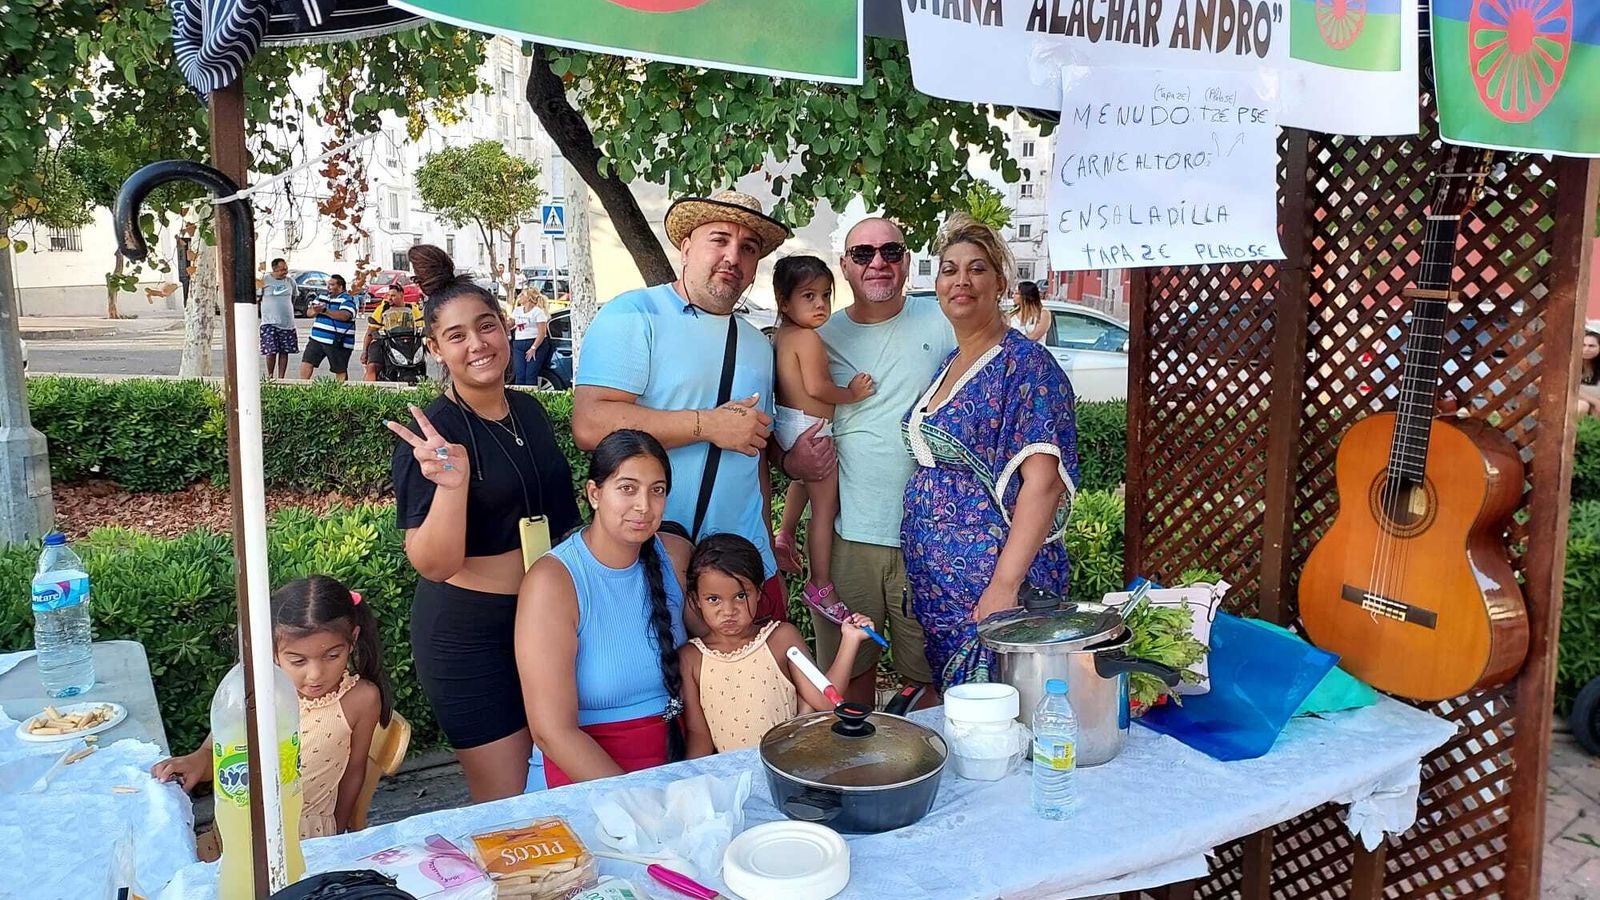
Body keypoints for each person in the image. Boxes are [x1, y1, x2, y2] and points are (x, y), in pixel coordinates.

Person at [572, 189, 832, 621]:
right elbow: (590, 423)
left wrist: (769, 542)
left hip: (745, 568)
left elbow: (754, 453)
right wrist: (707, 425)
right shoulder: (633, 314)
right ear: (687, 246)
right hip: (653, 561)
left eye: (748, 248)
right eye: (720, 239)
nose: (733, 256)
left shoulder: (757, 344)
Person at [387, 244, 581, 802]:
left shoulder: (531, 412)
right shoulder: (433, 438)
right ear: (435, 349)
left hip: (545, 622)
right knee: (509, 801)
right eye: (456, 336)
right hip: (470, 635)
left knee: (559, 780)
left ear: (505, 326)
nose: (477, 344)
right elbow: (433, 564)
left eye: (486, 325)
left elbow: (565, 525)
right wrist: (452, 487)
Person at [902, 214, 1079, 690]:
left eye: (976, 269)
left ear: (1001, 283)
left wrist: (1004, 585)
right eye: (949, 270)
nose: (961, 280)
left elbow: (1044, 483)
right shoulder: (952, 363)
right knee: (963, 709)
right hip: (940, 586)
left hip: (992, 582)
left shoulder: (1026, 367)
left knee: (1000, 708)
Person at [811, 217, 957, 708]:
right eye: (863, 253)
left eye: (890, 252)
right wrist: (792, 458)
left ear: (907, 261)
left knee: (929, 678)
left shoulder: (942, 321)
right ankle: (858, 757)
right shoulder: (820, 337)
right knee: (850, 679)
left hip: (928, 535)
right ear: (845, 266)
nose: (878, 263)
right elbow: (793, 425)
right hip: (850, 535)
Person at [516, 429, 694, 787]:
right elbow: (552, 732)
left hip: (675, 763)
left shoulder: (675, 556)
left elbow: (722, 646)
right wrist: (637, 802)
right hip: (584, 775)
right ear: (594, 494)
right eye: (627, 488)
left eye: (657, 490)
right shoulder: (554, 581)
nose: (644, 506)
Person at [151, 575, 392, 839]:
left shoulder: (362, 700)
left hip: (308, 835)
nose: (315, 674)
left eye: (332, 656)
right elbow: (218, 752)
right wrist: (196, 761)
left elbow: (354, 771)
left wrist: (339, 836)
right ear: (273, 650)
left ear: (353, 639)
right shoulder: (258, 689)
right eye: (298, 661)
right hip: (243, 829)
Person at [678, 533, 874, 755]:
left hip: (788, 764)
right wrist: (692, 775)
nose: (728, 611)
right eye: (713, 599)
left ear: (758, 591)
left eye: (741, 596)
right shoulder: (691, 657)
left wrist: (850, 640)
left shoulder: (781, 639)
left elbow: (826, 702)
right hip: (735, 773)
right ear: (696, 599)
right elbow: (699, 734)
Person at [769, 255, 874, 605]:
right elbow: (817, 387)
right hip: (812, 430)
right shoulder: (808, 338)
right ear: (784, 302)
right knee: (825, 510)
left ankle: (785, 534)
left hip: (790, 424)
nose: (820, 304)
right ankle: (820, 584)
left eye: (826, 295)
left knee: (802, 482)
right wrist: (851, 394)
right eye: (808, 296)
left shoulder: (782, 336)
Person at [301, 274, 359, 382]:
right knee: (307, 361)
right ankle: (302, 385)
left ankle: (341, 389)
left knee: (340, 368)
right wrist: (315, 310)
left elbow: (345, 316)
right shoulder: (322, 297)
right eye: (328, 284)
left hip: (337, 341)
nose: (328, 287)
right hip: (316, 338)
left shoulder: (347, 300)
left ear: (340, 286)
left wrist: (325, 311)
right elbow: (309, 313)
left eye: (332, 285)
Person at [363, 283, 424, 382]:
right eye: (388, 295)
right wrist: (364, 352)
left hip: (407, 342)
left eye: (393, 296)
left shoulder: (412, 309)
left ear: (401, 295)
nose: (390, 298)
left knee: (421, 361)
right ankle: (369, 387)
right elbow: (370, 331)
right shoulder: (382, 309)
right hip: (384, 340)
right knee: (373, 366)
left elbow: (420, 326)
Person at [259, 257, 299, 379]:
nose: (285, 272)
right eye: (282, 270)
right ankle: (270, 376)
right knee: (271, 351)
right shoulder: (264, 280)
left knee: (284, 351)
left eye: (286, 269)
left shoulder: (290, 281)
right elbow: (257, 297)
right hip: (269, 322)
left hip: (287, 323)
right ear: (274, 269)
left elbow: (294, 297)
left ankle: (281, 377)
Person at [510, 287, 553, 386]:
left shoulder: (538, 312)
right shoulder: (517, 310)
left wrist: (533, 348)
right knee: (520, 374)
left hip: (535, 343)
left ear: (529, 298)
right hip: (519, 344)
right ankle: (519, 394)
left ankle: (530, 393)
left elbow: (542, 332)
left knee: (530, 375)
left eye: (522, 295)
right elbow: (511, 323)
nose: (519, 296)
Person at [1577, 329, 1600, 418]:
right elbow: (1569, 389)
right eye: (1583, 345)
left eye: (1591, 346)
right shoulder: (1571, 364)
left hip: (1593, 403)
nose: (1586, 349)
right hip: (1573, 400)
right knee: (1582, 405)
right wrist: (1595, 402)